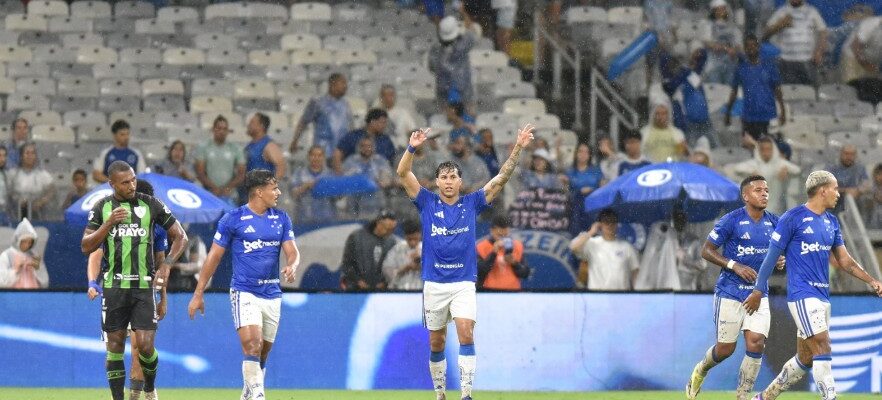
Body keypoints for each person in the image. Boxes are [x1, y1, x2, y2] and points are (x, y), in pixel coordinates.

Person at [397, 123, 534, 400]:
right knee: (436, 342)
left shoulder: (472, 203)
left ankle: (467, 394)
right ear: (437, 182)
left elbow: (501, 178)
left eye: (453, 177)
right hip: (434, 283)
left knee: (465, 332)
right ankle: (439, 394)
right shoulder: (426, 202)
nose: (448, 181)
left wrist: (518, 147)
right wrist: (412, 147)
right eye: (444, 177)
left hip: (463, 283)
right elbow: (402, 173)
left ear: (460, 182)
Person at [747, 171, 882, 400]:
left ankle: (765, 397)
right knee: (823, 345)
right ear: (822, 191)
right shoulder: (793, 218)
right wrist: (758, 290)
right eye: (835, 189)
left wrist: (872, 281)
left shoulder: (831, 221)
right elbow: (771, 257)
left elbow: (845, 260)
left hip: (822, 296)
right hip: (802, 295)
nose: (838, 194)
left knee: (807, 358)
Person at [187, 169, 300, 400]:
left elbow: (292, 251)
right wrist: (198, 293)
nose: (278, 192)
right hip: (244, 291)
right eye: (274, 187)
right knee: (252, 345)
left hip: (272, 294)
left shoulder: (281, 219)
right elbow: (213, 257)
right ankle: (258, 394)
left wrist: (292, 265)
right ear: (259, 191)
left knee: (262, 354)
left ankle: (249, 391)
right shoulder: (233, 219)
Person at [81, 160, 188, 400]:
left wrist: (168, 266)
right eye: (125, 182)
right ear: (112, 184)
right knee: (115, 346)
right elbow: (86, 246)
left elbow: (180, 237)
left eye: (133, 179)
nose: (132, 185)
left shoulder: (151, 204)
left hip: (143, 288)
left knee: (146, 346)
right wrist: (108, 224)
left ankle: (149, 388)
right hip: (114, 287)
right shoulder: (101, 208)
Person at [686, 176, 781, 400]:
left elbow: (779, 251)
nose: (764, 194)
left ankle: (742, 396)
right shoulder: (731, 220)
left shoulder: (775, 223)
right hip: (729, 292)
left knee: (756, 342)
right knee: (725, 350)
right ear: (745, 196)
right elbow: (706, 250)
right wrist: (733, 264)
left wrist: (780, 259)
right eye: (758, 190)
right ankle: (701, 370)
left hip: (758, 292)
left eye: (766, 190)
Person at [726, 35, 786, 143]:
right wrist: (728, 112)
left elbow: (778, 90)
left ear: (758, 47)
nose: (751, 48)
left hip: (768, 116)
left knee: (770, 147)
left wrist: (783, 110)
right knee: (750, 148)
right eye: (748, 46)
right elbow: (734, 92)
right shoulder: (740, 69)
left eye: (754, 45)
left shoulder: (770, 67)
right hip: (749, 118)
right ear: (745, 49)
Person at [728, 136, 801, 215]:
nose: (766, 152)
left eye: (769, 149)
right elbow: (736, 168)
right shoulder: (753, 165)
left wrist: (786, 169)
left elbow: (797, 170)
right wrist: (751, 172)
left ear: (773, 150)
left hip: (777, 209)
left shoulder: (780, 164)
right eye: (763, 149)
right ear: (758, 150)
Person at [569, 209, 640, 290]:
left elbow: (635, 273)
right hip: (597, 297)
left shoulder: (627, 247)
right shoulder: (592, 243)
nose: (610, 225)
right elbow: (573, 247)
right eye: (606, 222)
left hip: (621, 297)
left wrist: (637, 295)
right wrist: (592, 232)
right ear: (600, 225)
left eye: (613, 222)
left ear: (617, 224)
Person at [661, 49, 718, 149]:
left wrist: (700, 51)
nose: (675, 68)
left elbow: (703, 57)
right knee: (692, 153)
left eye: (675, 65)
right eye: (671, 66)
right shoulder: (671, 86)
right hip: (690, 125)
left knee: (714, 150)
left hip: (705, 121)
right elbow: (670, 83)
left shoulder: (691, 75)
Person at [763, 0, 827, 85]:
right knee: (789, 93)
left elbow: (823, 32)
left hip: (808, 61)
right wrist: (781, 25)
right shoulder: (781, 11)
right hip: (786, 62)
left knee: (809, 93)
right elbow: (765, 35)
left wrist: (819, 51)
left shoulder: (812, 11)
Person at [291, 73, 352, 156]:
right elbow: (304, 122)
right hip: (323, 150)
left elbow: (350, 127)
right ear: (332, 84)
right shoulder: (318, 102)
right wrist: (295, 140)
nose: (346, 86)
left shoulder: (346, 105)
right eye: (343, 83)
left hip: (341, 151)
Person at [340, 209, 398, 291]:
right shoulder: (356, 237)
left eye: (392, 230)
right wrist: (358, 281)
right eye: (387, 229)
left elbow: (393, 266)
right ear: (378, 223)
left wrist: (384, 283)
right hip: (356, 289)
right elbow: (347, 263)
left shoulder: (392, 242)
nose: (389, 233)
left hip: (381, 291)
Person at [195, 115, 246, 204]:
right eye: (219, 128)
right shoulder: (203, 147)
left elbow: (241, 173)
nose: (222, 131)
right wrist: (214, 188)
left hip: (229, 194)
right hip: (209, 193)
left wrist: (227, 188)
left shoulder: (235, 148)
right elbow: (200, 172)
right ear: (213, 129)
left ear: (227, 131)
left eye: (225, 129)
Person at [342, 137, 395, 219]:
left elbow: (386, 180)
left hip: (376, 203)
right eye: (363, 146)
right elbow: (344, 180)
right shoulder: (351, 161)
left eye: (369, 146)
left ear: (373, 147)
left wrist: (380, 181)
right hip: (353, 204)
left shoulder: (380, 161)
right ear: (359, 147)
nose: (366, 148)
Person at [430, 15, 477, 107]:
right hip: (463, 89)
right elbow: (472, 32)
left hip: (443, 89)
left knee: (444, 119)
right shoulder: (464, 43)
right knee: (466, 116)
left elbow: (431, 67)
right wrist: (463, 13)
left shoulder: (435, 48)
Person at [476, 215, 529, 291]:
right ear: (492, 231)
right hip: (489, 292)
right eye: (500, 235)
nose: (503, 238)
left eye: (506, 235)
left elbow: (525, 273)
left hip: (513, 291)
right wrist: (493, 253)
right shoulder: (481, 247)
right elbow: (480, 272)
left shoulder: (517, 246)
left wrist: (514, 263)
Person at [334, 108, 395, 172]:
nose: (384, 126)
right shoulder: (353, 136)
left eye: (385, 123)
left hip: (379, 177)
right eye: (382, 122)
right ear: (372, 122)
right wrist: (339, 174)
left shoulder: (386, 140)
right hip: (355, 176)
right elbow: (337, 154)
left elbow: (393, 160)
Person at [289, 145, 337, 224]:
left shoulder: (331, 175)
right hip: (304, 220)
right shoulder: (299, 173)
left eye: (319, 155)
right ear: (308, 156)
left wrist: (328, 187)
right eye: (313, 155)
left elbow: (339, 197)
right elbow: (293, 194)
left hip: (326, 220)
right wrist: (306, 186)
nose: (316, 158)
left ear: (324, 157)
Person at [8, 142, 55, 221]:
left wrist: (41, 202)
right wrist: (16, 200)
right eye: (27, 153)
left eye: (32, 153)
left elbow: (52, 190)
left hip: (37, 213)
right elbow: (8, 192)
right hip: (16, 213)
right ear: (21, 156)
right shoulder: (13, 174)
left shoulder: (42, 174)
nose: (30, 156)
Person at [841, 15, 882, 104]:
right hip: (852, 56)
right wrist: (866, 64)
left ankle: (870, 112)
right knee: (851, 88)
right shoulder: (871, 24)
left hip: (872, 60)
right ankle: (849, 112)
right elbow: (855, 46)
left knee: (872, 90)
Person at [564, 143, 603, 234]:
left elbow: (602, 189)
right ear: (576, 153)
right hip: (575, 211)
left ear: (590, 155)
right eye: (580, 151)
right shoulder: (569, 172)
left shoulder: (596, 170)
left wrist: (592, 190)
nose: (583, 154)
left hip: (593, 209)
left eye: (586, 152)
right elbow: (566, 193)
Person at [0, 218, 48, 288]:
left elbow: (45, 283)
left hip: (33, 296)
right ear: (18, 240)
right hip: (13, 296)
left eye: (30, 242)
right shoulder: (6, 255)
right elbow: (1, 282)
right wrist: (16, 270)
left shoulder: (34, 256)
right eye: (24, 241)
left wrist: (38, 270)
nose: (27, 245)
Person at [705, 0, 743, 85]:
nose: (721, 11)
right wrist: (726, 49)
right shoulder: (709, 25)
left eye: (723, 9)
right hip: (714, 65)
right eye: (718, 9)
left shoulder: (733, 26)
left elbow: (738, 45)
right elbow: (708, 43)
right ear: (713, 11)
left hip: (730, 65)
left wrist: (735, 50)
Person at [382, 219, 423, 291]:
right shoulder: (397, 249)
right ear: (405, 236)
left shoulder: (427, 249)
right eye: (410, 239)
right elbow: (386, 271)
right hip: (400, 291)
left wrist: (422, 265)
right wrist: (405, 269)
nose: (413, 242)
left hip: (421, 291)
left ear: (420, 235)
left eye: (415, 239)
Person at [244, 113, 286, 182]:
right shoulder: (249, 146)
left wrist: (269, 187)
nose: (248, 125)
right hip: (247, 191)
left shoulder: (269, 145)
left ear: (261, 126)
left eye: (252, 122)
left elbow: (281, 167)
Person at [377, 84, 419, 148]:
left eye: (391, 95)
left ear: (395, 97)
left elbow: (412, 131)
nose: (388, 98)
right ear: (381, 97)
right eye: (385, 95)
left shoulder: (403, 113)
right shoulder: (375, 114)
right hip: (382, 149)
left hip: (401, 148)